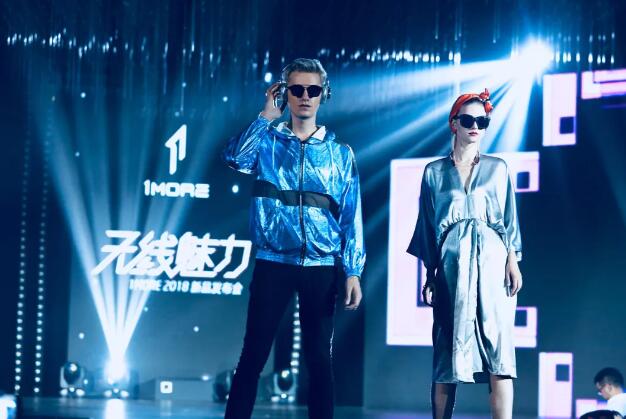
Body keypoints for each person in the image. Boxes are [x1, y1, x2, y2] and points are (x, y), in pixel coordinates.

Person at [222, 58, 365, 419]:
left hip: (321, 266)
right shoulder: (267, 141)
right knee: (253, 355)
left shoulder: (339, 153)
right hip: (274, 262)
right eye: (297, 89)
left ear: (323, 94)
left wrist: (352, 271)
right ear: (284, 93)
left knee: (319, 360)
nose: (305, 96)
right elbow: (235, 159)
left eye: (312, 90)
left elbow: (351, 216)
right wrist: (265, 117)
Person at [407, 89, 523, 419]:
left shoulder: (498, 168)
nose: (475, 126)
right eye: (468, 120)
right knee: (446, 350)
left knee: (499, 353)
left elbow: (509, 220)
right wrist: (430, 274)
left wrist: (513, 261)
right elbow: (427, 224)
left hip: (493, 266)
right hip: (451, 267)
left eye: (482, 122)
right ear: (453, 123)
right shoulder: (433, 172)